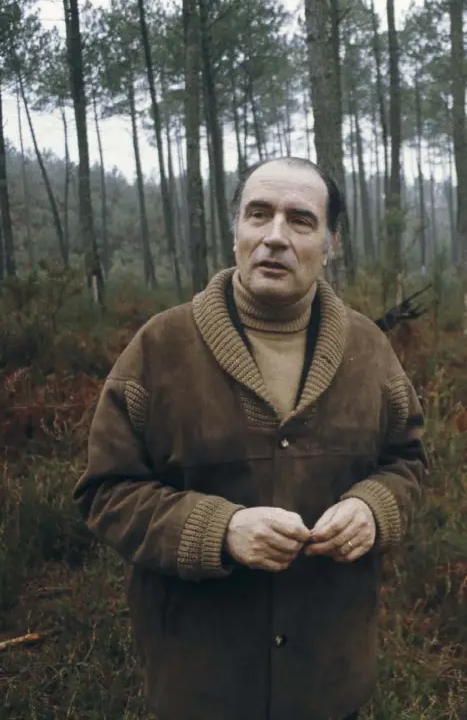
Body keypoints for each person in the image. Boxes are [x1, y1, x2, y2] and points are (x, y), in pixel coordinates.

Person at [72, 156, 428, 720]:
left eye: (300, 220)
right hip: (202, 684)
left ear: (330, 242)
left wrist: (375, 506)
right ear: (235, 230)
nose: (275, 237)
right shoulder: (159, 348)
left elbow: (407, 462)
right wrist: (221, 531)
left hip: (330, 680)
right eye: (258, 215)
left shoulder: (371, 350)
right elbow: (105, 492)